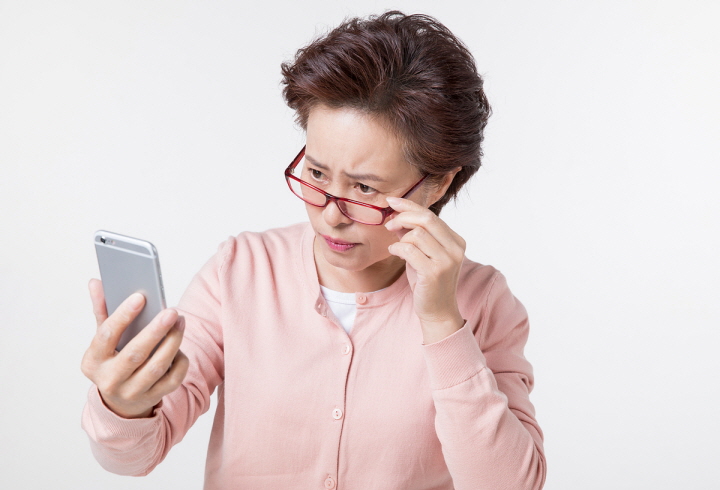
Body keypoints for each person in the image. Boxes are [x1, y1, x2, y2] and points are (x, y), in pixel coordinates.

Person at [81, 11, 546, 490]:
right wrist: (124, 403)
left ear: (439, 183)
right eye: (317, 174)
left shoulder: (482, 301)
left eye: (365, 188)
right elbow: (133, 456)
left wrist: (443, 323)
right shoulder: (240, 270)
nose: (331, 214)